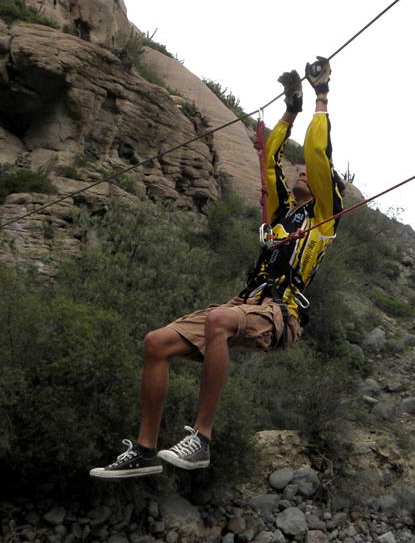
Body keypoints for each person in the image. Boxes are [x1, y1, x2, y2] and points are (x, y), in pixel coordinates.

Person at [90, 57, 344, 478]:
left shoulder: (322, 219)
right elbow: (269, 162)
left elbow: (318, 153)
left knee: (220, 321)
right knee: (156, 343)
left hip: (280, 313)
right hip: (247, 304)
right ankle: (145, 449)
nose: (302, 172)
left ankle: (201, 439)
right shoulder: (282, 216)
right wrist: (290, 109)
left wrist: (321, 97)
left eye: (310, 175)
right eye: (298, 171)